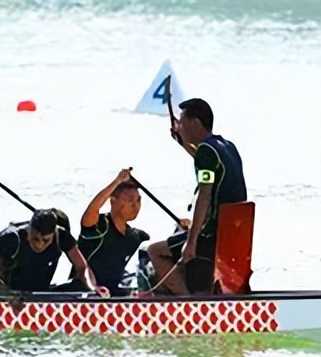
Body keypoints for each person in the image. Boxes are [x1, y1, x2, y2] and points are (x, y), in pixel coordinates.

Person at [146, 97, 247, 295]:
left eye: (182, 123)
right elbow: (210, 167)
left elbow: (205, 194)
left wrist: (191, 243)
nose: (180, 127)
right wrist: (183, 144)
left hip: (212, 234)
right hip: (233, 233)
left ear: (195, 123)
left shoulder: (205, 153)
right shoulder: (225, 146)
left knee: (154, 251)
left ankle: (187, 301)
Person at [0, 208, 100, 294]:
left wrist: (93, 287)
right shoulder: (12, 238)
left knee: (80, 285)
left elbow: (82, 267)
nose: (39, 244)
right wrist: (5, 292)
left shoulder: (61, 236)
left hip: (41, 292)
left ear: (53, 233)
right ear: (29, 230)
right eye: (35, 239)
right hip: (14, 293)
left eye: (45, 240)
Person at [79, 169, 150, 297]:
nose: (135, 206)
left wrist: (180, 230)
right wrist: (117, 181)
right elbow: (92, 210)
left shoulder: (137, 237)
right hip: (85, 292)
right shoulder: (99, 226)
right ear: (113, 200)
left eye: (138, 201)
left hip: (113, 294)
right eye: (130, 200)